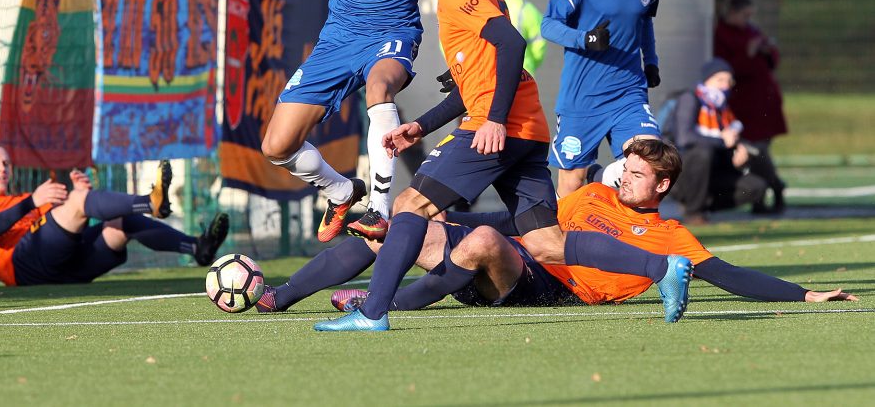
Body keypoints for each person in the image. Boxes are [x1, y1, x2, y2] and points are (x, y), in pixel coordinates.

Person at [312, 0, 692, 332]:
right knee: (548, 243)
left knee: (407, 204)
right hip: (526, 126)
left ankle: (373, 312)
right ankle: (662, 267)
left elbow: (513, 46)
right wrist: (422, 125)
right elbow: (482, 74)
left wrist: (493, 119)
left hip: (499, 126)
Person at [176, 0, 475, 242]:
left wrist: (465, 55)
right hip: (337, 41)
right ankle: (341, 191)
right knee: (277, 146)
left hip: (392, 35)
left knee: (379, 88)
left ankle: (378, 210)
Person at [253, 140, 855, 315]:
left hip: (549, 285)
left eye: (638, 175)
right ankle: (281, 297)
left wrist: (804, 292)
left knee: (484, 245)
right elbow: (516, 221)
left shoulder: (672, 237)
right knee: (398, 226)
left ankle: (380, 302)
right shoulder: (593, 192)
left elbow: (728, 274)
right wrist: (448, 219)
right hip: (516, 250)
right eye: (627, 169)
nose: (624, 180)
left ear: (662, 187)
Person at [0, 142, 229, 285]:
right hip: (24, 268)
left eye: (5, 162)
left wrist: (78, 194)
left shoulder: (22, 199)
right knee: (77, 201)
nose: (2, 168)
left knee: (122, 224)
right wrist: (40, 202)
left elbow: (66, 219)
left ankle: (197, 247)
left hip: (66, 270)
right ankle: (150, 201)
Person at [541, 0, 661, 199]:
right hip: (583, 97)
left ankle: (632, 241)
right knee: (572, 185)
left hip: (628, 92)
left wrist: (651, 62)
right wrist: (585, 39)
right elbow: (549, 25)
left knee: (649, 163)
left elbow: (644, 21)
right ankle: (570, 240)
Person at [668, 58, 768, 225]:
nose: (725, 85)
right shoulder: (690, 99)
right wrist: (722, 141)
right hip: (683, 172)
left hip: (712, 172)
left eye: (729, 81)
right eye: (720, 80)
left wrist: (738, 155)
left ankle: (701, 204)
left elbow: (727, 143)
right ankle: (694, 212)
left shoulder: (722, 109)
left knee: (755, 187)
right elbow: (684, 138)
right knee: (703, 153)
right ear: (706, 80)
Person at [714, 0, 787, 213]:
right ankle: (771, 188)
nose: (748, 20)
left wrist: (766, 50)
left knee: (760, 149)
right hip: (743, 104)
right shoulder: (722, 34)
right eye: (745, 15)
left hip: (763, 102)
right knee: (754, 151)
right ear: (733, 12)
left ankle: (765, 194)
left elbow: (772, 59)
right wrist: (749, 52)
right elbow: (726, 68)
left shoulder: (751, 31)